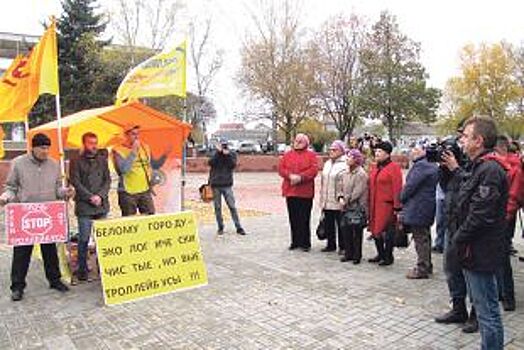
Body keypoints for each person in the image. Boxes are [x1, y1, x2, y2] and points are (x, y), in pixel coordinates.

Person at [449, 116, 506, 350]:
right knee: (484, 308)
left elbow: (480, 214)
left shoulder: (490, 170)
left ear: (479, 140)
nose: (461, 141)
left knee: (487, 311)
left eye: (465, 136)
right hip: (472, 249)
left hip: (480, 251)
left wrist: (457, 238)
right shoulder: (478, 167)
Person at [0, 133, 74, 301]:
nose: (45, 151)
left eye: (47, 148)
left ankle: (54, 280)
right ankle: (17, 286)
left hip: (48, 215)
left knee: (50, 251)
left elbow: (57, 189)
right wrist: (6, 197)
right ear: (32, 147)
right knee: (22, 253)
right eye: (42, 148)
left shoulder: (54, 165)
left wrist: (66, 192)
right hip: (26, 215)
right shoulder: (18, 163)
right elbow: (11, 187)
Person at [435, 130, 478, 334]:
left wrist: (456, 167)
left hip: (470, 227)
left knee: (471, 272)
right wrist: (444, 168)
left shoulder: (477, 164)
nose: (462, 141)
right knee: (451, 268)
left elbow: (470, 187)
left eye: (464, 137)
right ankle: (458, 308)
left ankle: (476, 314)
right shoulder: (454, 166)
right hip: (452, 225)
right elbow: (445, 186)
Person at [69, 132, 111, 281]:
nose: (94, 146)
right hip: (84, 205)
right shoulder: (76, 161)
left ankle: (103, 267)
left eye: (95, 142)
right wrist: (90, 197)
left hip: (101, 204)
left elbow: (107, 180)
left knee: (103, 239)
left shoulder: (102, 160)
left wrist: (100, 195)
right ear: (84, 144)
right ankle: (82, 269)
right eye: (90, 143)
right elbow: (75, 181)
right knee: (84, 239)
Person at [400, 143, 438, 279]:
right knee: (425, 236)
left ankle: (422, 267)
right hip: (426, 206)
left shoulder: (421, 166)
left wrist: (401, 198)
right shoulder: (432, 165)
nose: (412, 152)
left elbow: (410, 186)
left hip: (418, 207)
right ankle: (427, 265)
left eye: (416, 150)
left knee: (420, 238)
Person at [494, 135, 522, 311]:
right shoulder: (508, 166)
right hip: (499, 217)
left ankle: (507, 296)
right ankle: (500, 292)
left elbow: (513, 196)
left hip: (503, 218)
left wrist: (504, 217)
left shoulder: (513, 169)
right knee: (497, 256)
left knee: (502, 258)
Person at [278, 134, 318, 252]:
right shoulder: (287, 155)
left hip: (305, 192)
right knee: (293, 218)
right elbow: (281, 168)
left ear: (306, 143)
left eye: (300, 141)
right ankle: (295, 241)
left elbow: (313, 170)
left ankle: (305, 242)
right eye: (296, 141)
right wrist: (289, 175)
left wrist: (301, 177)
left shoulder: (311, 155)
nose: (297, 143)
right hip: (290, 191)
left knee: (304, 218)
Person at [368, 141, 403, 266]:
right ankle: (380, 253)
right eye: (376, 151)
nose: (376, 153)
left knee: (386, 231)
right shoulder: (375, 167)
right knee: (375, 230)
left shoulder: (394, 168)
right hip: (374, 203)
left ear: (387, 154)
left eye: (380, 151)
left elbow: (397, 187)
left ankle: (388, 256)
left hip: (387, 205)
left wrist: (397, 206)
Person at [112, 125, 155, 216]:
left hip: (145, 190)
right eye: (133, 134)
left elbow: (148, 166)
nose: (136, 137)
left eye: (138, 134)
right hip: (128, 192)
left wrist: (151, 182)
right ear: (126, 136)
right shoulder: (118, 150)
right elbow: (123, 170)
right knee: (130, 221)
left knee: (150, 217)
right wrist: (133, 151)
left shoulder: (144, 147)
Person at [208, 138, 246, 235]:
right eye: (222, 144)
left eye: (225, 144)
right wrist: (218, 153)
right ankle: (220, 227)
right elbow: (210, 163)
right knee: (217, 207)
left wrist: (227, 155)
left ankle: (238, 227)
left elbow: (232, 165)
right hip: (215, 184)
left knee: (232, 206)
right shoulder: (214, 153)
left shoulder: (232, 153)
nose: (224, 146)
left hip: (227, 184)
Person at [337, 149, 368, 264]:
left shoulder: (361, 174)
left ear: (356, 160)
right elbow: (340, 186)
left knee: (356, 232)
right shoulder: (345, 172)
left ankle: (356, 255)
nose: (347, 159)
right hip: (345, 206)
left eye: (350, 157)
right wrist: (340, 197)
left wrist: (347, 200)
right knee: (346, 230)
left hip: (356, 207)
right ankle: (348, 253)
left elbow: (358, 191)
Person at [319, 140, 347, 253]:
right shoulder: (327, 163)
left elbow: (346, 182)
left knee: (341, 224)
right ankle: (330, 244)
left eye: (334, 149)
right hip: (327, 198)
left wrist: (343, 197)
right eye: (330, 149)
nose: (331, 151)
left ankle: (343, 246)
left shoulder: (345, 164)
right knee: (329, 223)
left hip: (338, 199)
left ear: (341, 151)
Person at [432, 183, 446, 253]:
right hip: (439, 196)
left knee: (444, 222)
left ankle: (442, 244)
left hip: (446, 197)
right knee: (439, 221)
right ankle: (439, 243)